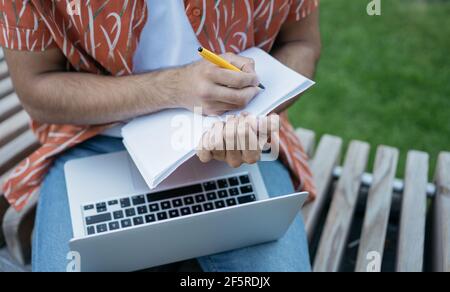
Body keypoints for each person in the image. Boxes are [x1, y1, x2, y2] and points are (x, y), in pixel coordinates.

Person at [0, 0, 321, 272]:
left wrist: (252, 118)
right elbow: (36, 87)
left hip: (242, 144)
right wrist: (174, 86)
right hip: (96, 141)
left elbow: (301, 43)